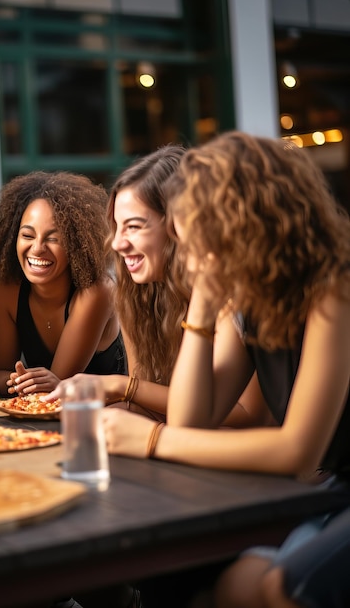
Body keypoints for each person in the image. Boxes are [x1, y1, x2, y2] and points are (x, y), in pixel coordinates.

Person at [98, 131, 350, 607]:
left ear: (242, 223)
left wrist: (149, 439)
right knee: (231, 586)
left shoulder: (333, 288)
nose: (186, 253)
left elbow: (297, 450)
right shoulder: (246, 299)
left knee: (277, 587)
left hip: (325, 482)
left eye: (194, 233)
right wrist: (205, 304)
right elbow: (195, 419)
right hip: (328, 488)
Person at [48, 145, 272, 427]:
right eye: (116, 227)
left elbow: (247, 414)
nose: (117, 243)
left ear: (182, 226)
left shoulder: (235, 295)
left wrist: (122, 387)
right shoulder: (134, 294)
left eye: (134, 226)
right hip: (181, 447)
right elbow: (145, 409)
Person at [0, 171, 126, 397]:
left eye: (53, 239)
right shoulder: (1, 287)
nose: (37, 248)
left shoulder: (97, 292)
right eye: (27, 236)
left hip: (105, 417)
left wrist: (31, 385)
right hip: (38, 422)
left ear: (77, 244)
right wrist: (19, 381)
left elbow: (55, 390)